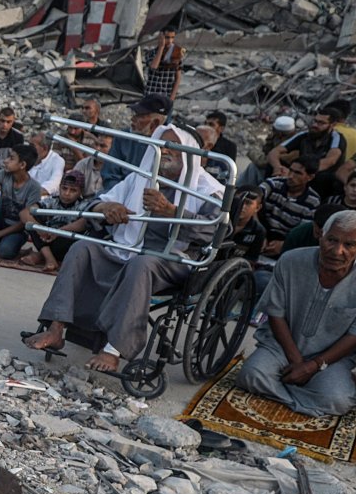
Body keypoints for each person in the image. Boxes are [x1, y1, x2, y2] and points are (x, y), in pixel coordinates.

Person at [24, 125, 224, 373]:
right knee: (82, 248)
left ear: (189, 152)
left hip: (171, 259)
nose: (165, 151)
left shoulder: (209, 189)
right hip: (125, 247)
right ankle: (56, 328)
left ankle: (113, 349)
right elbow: (98, 203)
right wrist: (106, 210)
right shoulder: (138, 177)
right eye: (161, 146)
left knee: (140, 265)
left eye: (172, 147)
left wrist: (171, 212)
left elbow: (213, 233)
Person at [236, 211, 356, 416]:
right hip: (282, 347)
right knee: (251, 376)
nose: (336, 251)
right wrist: (298, 362)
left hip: (331, 358)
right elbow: (275, 313)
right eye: (331, 240)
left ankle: (322, 381)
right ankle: (313, 391)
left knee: (337, 401)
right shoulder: (291, 261)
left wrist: (315, 366)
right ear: (320, 235)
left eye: (349, 245)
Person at [0, 143, 44, 259]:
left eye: (11, 158)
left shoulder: (34, 188)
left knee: (5, 252)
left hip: (17, 229)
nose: (5, 161)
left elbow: (23, 222)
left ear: (22, 165)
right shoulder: (4, 174)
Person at [21, 172, 95, 270]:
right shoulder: (52, 200)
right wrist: (39, 228)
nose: (67, 193)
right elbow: (25, 213)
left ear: (80, 192)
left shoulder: (84, 205)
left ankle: (41, 255)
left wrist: (58, 232)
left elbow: (84, 223)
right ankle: (49, 258)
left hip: (67, 241)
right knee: (31, 222)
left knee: (79, 232)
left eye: (73, 190)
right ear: (59, 187)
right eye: (64, 188)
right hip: (46, 237)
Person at [144, 28, 183, 102]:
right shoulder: (151, 53)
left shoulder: (176, 54)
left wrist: (171, 98)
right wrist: (161, 47)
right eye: (167, 37)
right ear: (161, 37)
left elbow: (178, 78)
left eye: (172, 38)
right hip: (151, 95)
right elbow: (154, 67)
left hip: (166, 97)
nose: (170, 41)